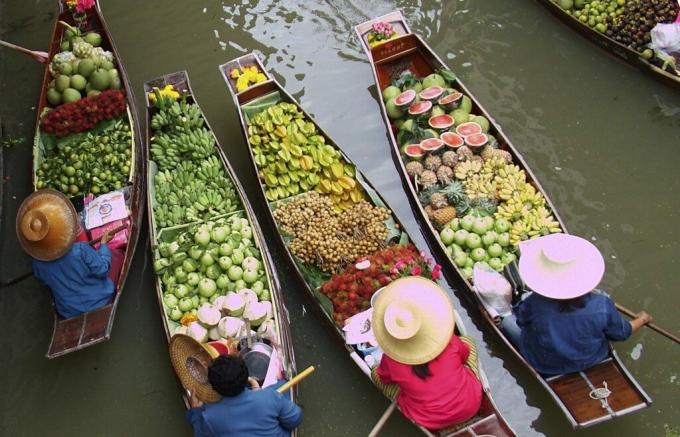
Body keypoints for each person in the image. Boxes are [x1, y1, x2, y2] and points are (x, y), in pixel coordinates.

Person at [501, 233, 653, 376]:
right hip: (592, 359)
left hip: (546, 364)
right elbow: (621, 332)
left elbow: (521, 321)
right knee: (603, 296)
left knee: (508, 321)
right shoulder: (602, 305)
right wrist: (643, 319)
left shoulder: (535, 302)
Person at [371, 276, 482, 430]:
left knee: (375, 374)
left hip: (431, 420)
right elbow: (464, 355)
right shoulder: (447, 340)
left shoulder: (391, 359)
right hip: (471, 404)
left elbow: (383, 377)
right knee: (467, 340)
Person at [16, 189, 125, 319]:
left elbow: (45, 281)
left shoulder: (38, 264)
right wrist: (103, 244)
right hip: (101, 299)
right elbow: (102, 270)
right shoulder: (81, 249)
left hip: (68, 311)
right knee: (117, 255)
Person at [176, 341, 302, 437]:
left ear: (214, 388)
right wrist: (259, 396)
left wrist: (196, 412)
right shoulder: (270, 397)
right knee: (283, 384)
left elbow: (200, 433)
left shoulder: (210, 416)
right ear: (248, 378)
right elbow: (295, 419)